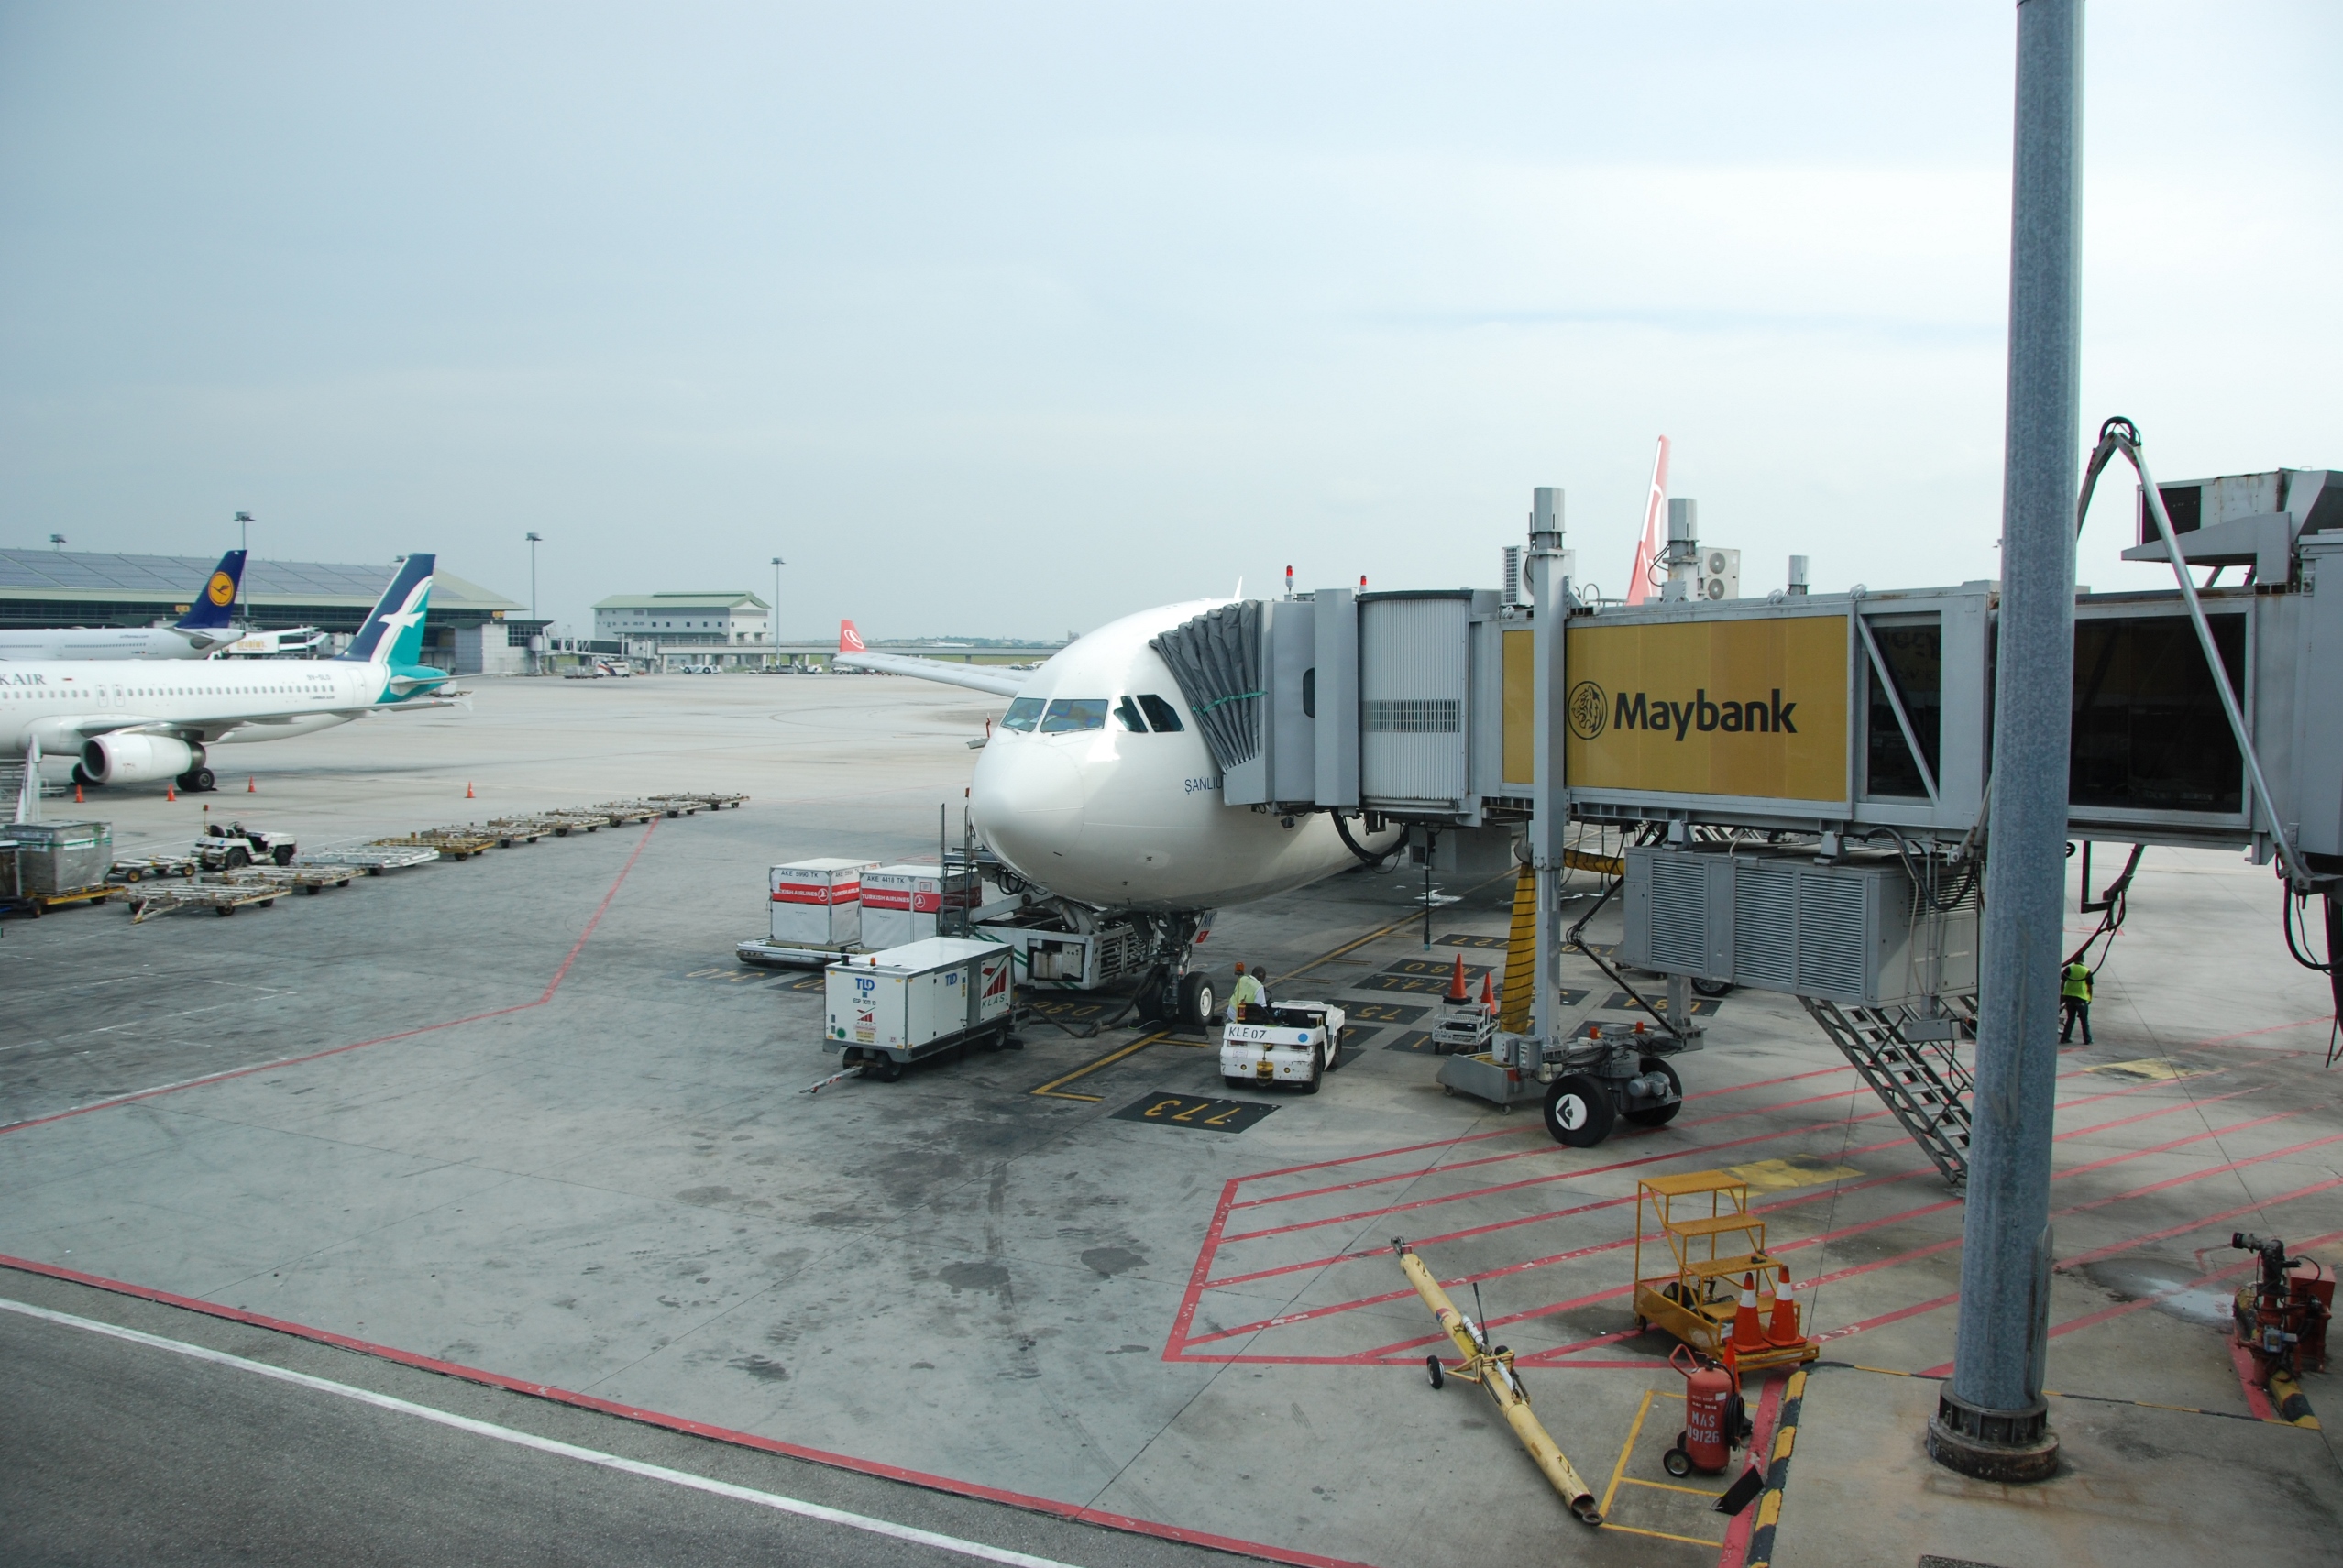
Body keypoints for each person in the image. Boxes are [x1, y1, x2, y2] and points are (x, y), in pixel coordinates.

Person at [2059, 959, 2093, 1045]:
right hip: (2081, 998)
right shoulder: (2087, 971)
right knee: (2084, 1020)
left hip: (2069, 998)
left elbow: (2063, 982)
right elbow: (2090, 987)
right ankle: (2087, 1040)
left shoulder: (2069, 969)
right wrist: (2090, 998)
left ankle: (2065, 1038)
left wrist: (2063, 993)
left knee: (2070, 1019)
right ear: (2083, 960)